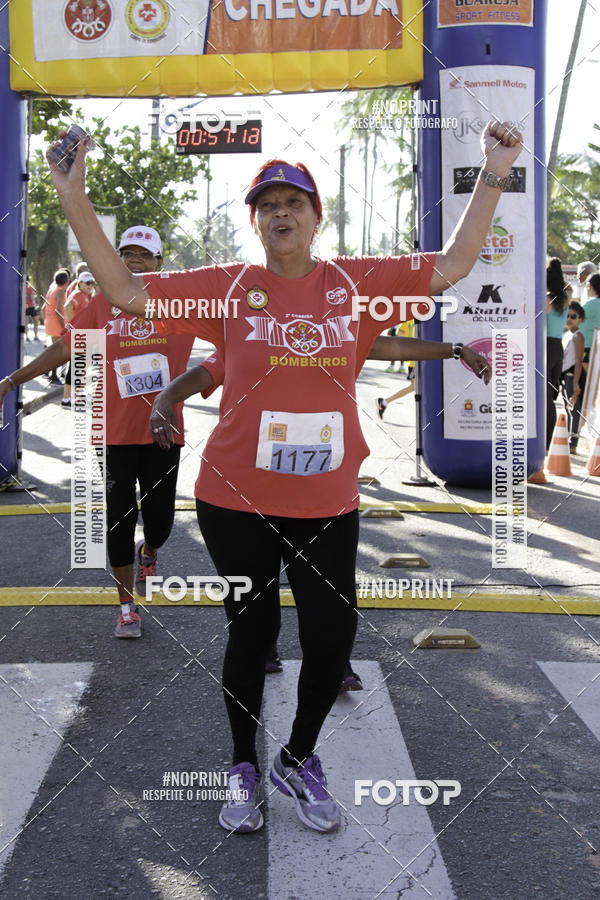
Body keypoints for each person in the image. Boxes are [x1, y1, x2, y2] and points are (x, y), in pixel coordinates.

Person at [46, 118, 521, 835]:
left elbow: (453, 263)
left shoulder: (355, 284)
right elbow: (125, 289)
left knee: (332, 637)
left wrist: (493, 169)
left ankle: (295, 759)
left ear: (315, 217)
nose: (280, 212)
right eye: (266, 204)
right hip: (235, 498)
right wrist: (72, 193)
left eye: (293, 202)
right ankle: (242, 764)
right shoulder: (227, 288)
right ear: (255, 222)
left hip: (327, 501)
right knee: (253, 628)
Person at [0, 227, 194, 639]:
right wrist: (11, 381)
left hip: (164, 433)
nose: (134, 261)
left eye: (145, 254)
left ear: (160, 262)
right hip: (113, 434)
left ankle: (151, 552)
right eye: (127, 254)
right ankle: (127, 606)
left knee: (160, 521)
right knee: (118, 520)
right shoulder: (103, 304)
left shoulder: (180, 304)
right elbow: (63, 348)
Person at [61, 270, 95, 407]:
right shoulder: (78, 294)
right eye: (87, 283)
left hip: (86, 337)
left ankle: (77, 397)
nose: (90, 285)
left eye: (92, 282)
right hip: (79, 336)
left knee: (81, 367)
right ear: (80, 284)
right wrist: (74, 326)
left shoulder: (87, 296)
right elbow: (67, 306)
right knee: (76, 366)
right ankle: (66, 398)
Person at [545, 258, 568, 449]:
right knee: (551, 395)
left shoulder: (547, 298)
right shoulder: (565, 299)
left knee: (543, 395)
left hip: (546, 346)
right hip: (558, 346)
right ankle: (548, 441)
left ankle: (544, 442)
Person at [561, 301, 585, 453]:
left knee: (574, 409)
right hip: (566, 376)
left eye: (573, 316)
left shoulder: (578, 336)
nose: (569, 319)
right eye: (567, 315)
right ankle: (570, 438)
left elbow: (578, 361)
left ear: (580, 319)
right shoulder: (567, 334)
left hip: (573, 376)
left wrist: (576, 383)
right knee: (568, 408)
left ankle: (573, 442)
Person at [43, 268, 70, 384]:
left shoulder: (52, 289)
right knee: (57, 352)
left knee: (53, 349)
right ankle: (53, 376)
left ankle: (47, 371)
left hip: (50, 322)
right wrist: (64, 327)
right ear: (67, 282)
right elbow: (58, 311)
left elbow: (44, 307)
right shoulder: (60, 292)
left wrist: (46, 319)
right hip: (57, 324)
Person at [580, 272, 600, 367]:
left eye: (587, 284)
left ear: (591, 286)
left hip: (587, 345)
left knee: (587, 378)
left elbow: (575, 315)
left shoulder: (591, 303)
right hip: (595, 345)